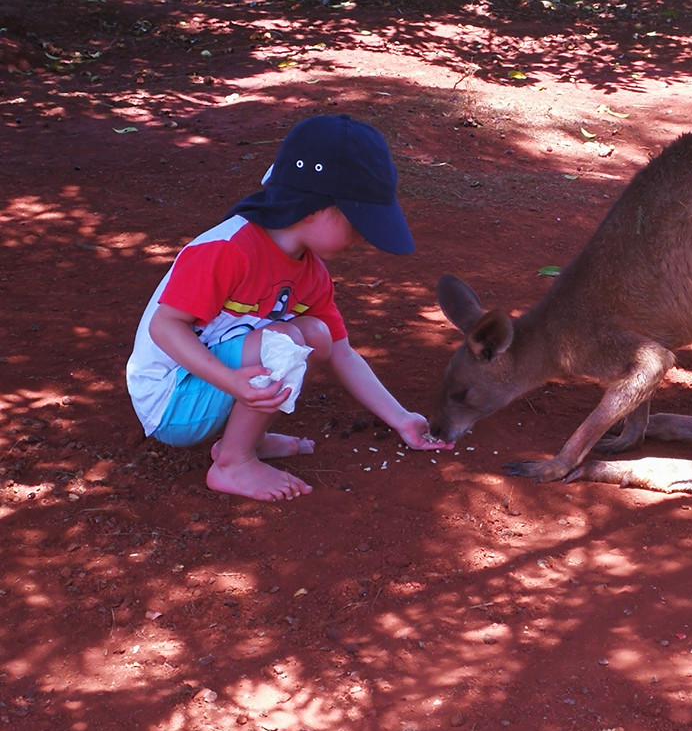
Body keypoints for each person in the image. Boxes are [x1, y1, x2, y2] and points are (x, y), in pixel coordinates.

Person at [126, 114, 450, 501]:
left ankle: (247, 440)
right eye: (358, 222)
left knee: (316, 334)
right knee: (286, 338)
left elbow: (341, 353)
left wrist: (401, 419)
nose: (364, 237)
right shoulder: (228, 248)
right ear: (312, 208)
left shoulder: (311, 273)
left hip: (216, 389)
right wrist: (231, 383)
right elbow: (164, 327)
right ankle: (234, 463)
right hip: (171, 401)